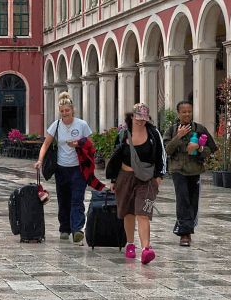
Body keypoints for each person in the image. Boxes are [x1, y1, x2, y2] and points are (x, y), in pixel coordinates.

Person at [104, 103, 166, 264]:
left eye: (144, 119)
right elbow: (115, 156)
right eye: (138, 118)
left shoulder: (153, 134)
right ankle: (130, 244)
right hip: (124, 177)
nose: (140, 122)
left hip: (147, 179)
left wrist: (159, 177)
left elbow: (162, 155)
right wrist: (113, 179)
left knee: (142, 212)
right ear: (132, 117)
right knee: (128, 212)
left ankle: (146, 249)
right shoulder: (123, 134)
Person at [37, 92, 92, 244]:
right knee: (63, 199)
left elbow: (90, 144)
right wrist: (40, 160)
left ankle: (77, 229)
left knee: (77, 199)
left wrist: (78, 144)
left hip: (78, 168)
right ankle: (64, 228)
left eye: (67, 110)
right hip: (61, 169)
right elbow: (46, 144)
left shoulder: (81, 125)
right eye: (62, 111)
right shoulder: (56, 125)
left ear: (72, 110)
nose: (65, 113)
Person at [163, 100, 216, 247]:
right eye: (184, 112)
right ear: (178, 113)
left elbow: (211, 149)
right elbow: (167, 150)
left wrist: (199, 148)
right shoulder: (172, 130)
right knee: (183, 199)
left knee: (192, 201)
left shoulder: (200, 129)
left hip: (194, 170)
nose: (187, 114)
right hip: (178, 170)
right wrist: (178, 136)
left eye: (189, 111)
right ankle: (185, 234)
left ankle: (184, 226)